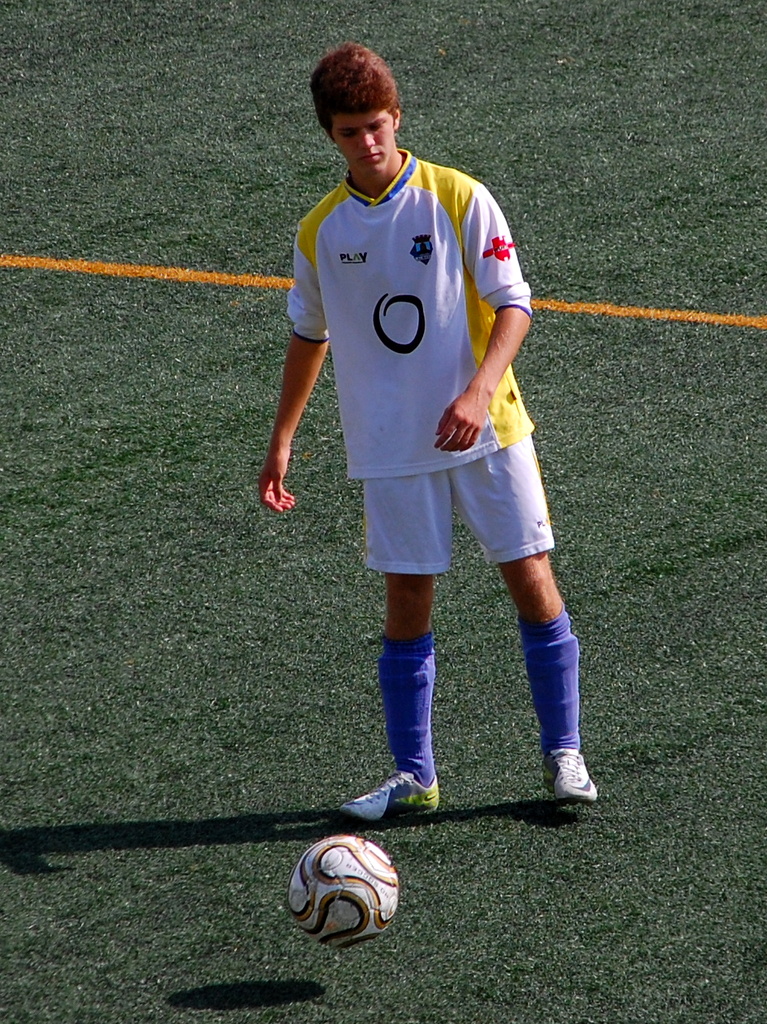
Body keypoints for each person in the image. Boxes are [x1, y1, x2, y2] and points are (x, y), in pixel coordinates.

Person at [259, 42, 597, 818]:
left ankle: (564, 754)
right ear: (329, 134)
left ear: (397, 117)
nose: (366, 142)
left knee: (531, 580)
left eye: (375, 125)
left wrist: (477, 392)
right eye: (349, 131)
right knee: (407, 598)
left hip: (488, 432)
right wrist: (282, 438)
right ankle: (414, 777)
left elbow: (514, 305)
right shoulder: (320, 231)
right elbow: (308, 335)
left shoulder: (456, 196)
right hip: (390, 444)